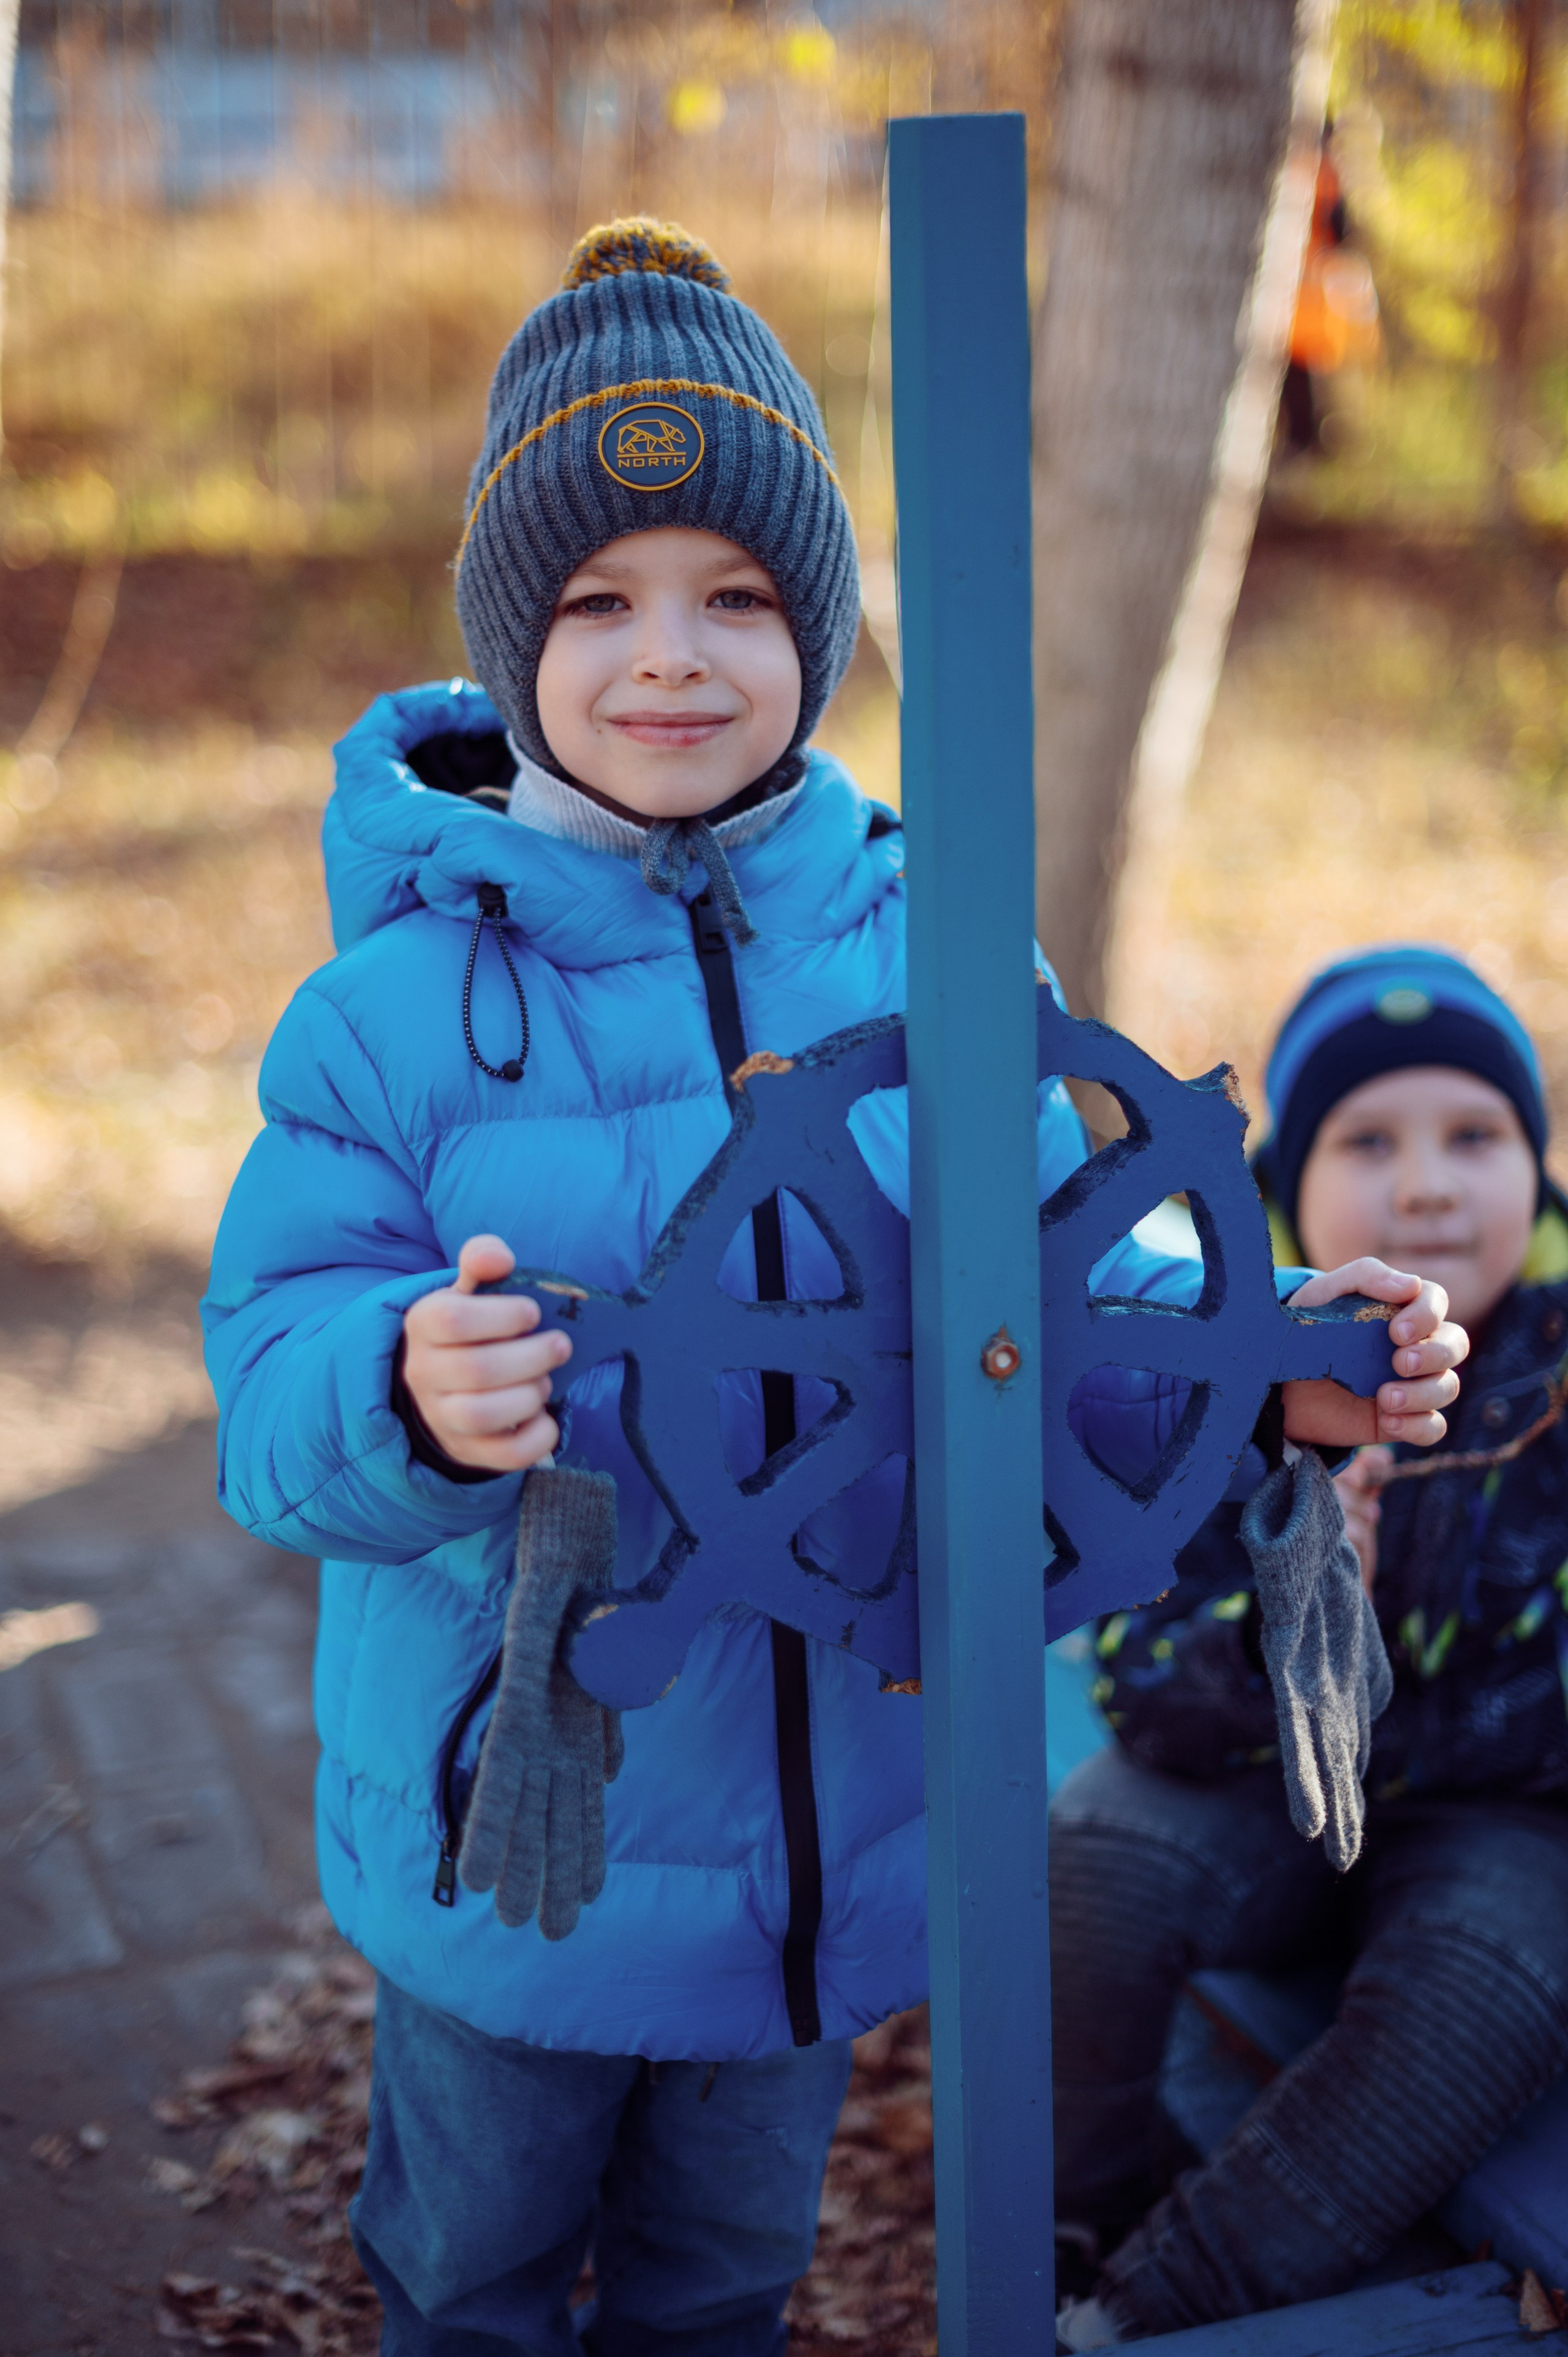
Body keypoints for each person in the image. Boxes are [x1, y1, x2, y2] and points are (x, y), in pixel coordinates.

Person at [201, 222, 1463, 2356]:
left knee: (721, 2285)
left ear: (829, 632)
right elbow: (265, 1395)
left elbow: (1062, 1293)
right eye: (597, 603)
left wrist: (1256, 1374)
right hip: (521, 1840)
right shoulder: (394, 1013)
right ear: (513, 646)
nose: (668, 657)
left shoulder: (932, 944)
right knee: (472, 2276)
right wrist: (399, 1390)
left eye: (739, 597)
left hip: (830, 1853)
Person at [1052, 946, 1568, 2349]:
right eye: (1367, 1140)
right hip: (1260, 1789)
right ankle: (1070, 2224)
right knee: (1099, 1845)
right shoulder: (1234, 1366)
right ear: (1289, 1183)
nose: (1422, 1183)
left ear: (1535, 1167)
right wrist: (1298, 1608)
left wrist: (1390, 1635)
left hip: (1505, 1826)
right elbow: (1137, 1685)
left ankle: (1155, 2306)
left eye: (1473, 1136)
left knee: (1485, 1978)